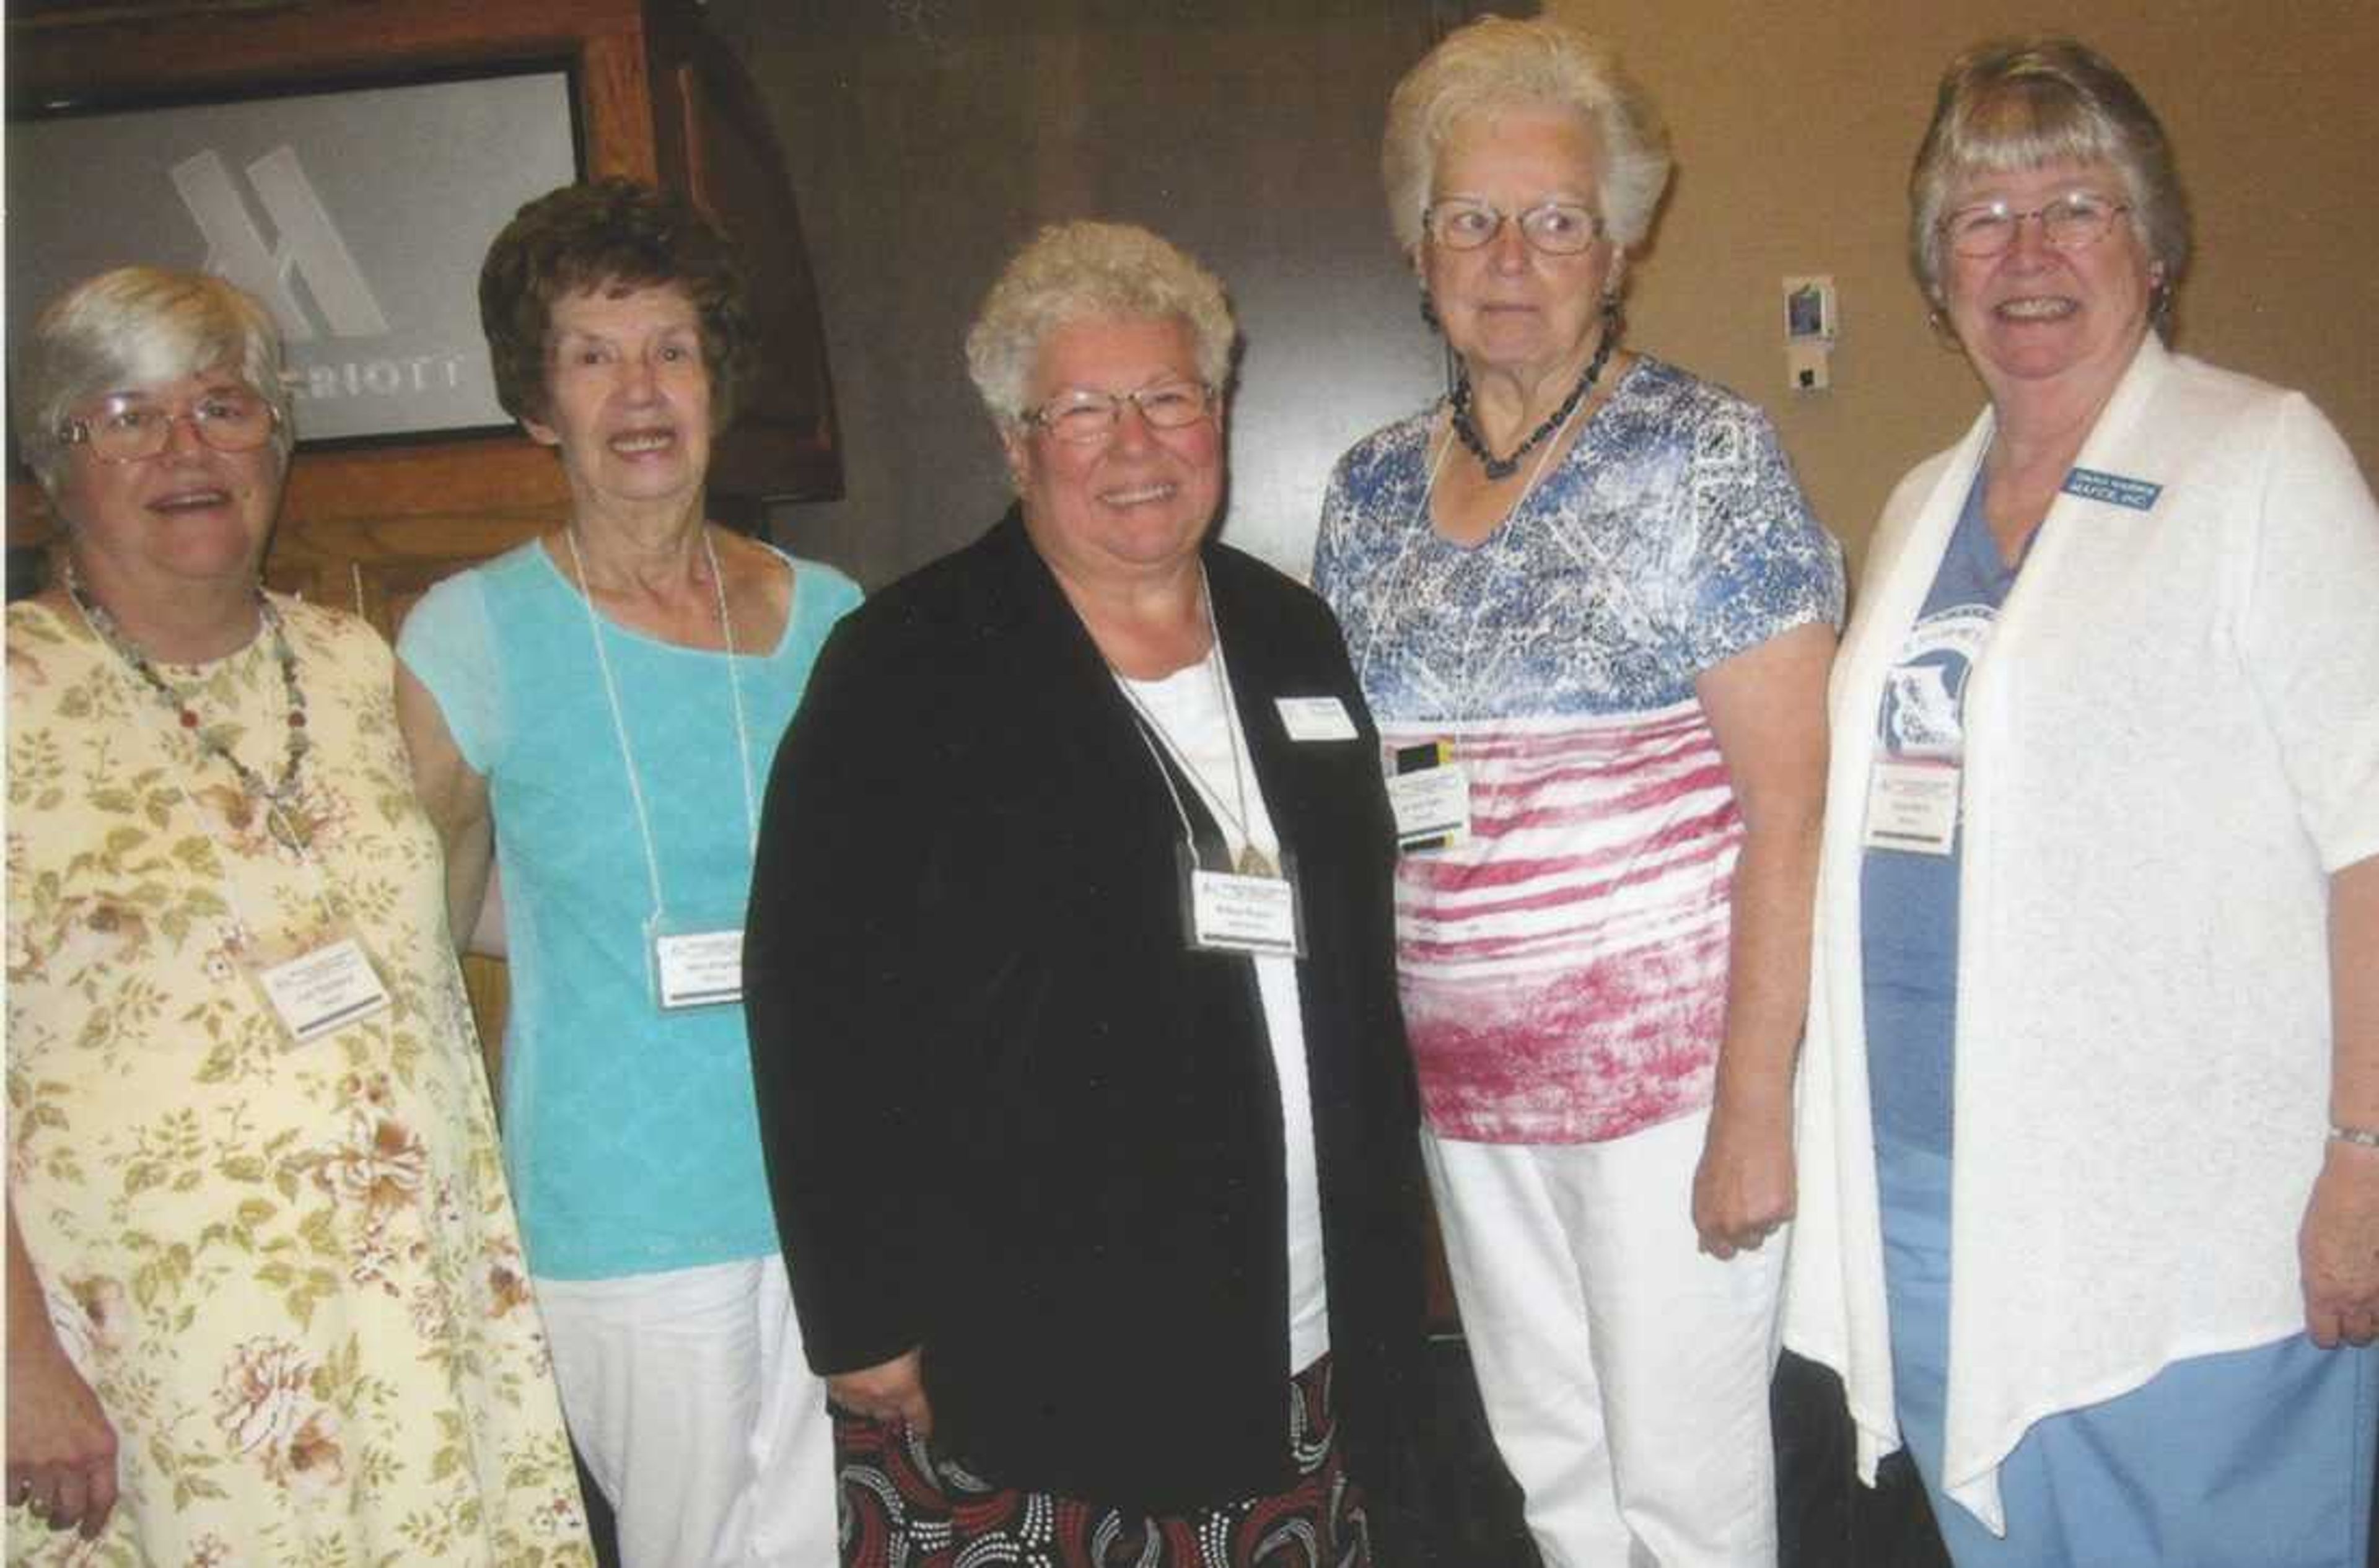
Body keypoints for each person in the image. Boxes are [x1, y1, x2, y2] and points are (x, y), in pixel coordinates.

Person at [743, 220, 1427, 1567]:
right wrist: (857, 1309)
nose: (1136, 445)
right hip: (1030, 1343)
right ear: (1013, 442)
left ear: (1220, 414)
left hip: (1297, 1319)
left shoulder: (1292, 633)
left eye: (1171, 397)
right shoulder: (910, 663)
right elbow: (812, 999)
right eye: (1083, 410)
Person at [1782, 37, 2379, 1567]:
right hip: (1940, 1194)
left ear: (2158, 248)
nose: (2027, 251)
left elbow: (2373, 834)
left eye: (2077, 206)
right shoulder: (1922, 504)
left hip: (2192, 1230)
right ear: (1935, 277)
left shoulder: (2258, 460)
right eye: (1981, 220)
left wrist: (2367, 1159)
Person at [1311, 16, 1844, 1567]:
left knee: (1688, 1494)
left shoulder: (1707, 458)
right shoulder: (1365, 493)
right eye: (1470, 217)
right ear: (1420, 248)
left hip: (1667, 1099)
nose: (1511, 256)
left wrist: (1754, 1106)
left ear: (1617, 247)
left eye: (1554, 220)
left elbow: (1789, 813)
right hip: (1469, 1102)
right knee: (1553, 1472)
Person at [4, 266, 592, 1564]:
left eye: (224, 407)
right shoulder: (14, 693)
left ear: (278, 439)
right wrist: (15, 1366)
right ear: (55, 461)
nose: (186, 449)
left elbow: (456, 912)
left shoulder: (356, 663)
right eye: (127, 414)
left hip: (411, 1327)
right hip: (148, 1363)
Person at [395, 180, 860, 1568]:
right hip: (626, 1210)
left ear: (717, 379)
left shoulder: (828, 615)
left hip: (832, 1186)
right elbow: (423, 920)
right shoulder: (470, 634)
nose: (639, 392)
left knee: (834, 1541)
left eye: (671, 349)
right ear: (538, 405)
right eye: (592, 357)